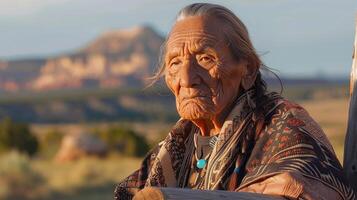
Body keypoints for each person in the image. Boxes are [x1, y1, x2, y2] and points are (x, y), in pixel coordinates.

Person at [114, 3, 355, 200]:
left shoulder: (285, 127)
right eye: (175, 63)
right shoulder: (174, 148)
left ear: (248, 69)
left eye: (206, 58)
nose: (186, 79)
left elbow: (304, 187)